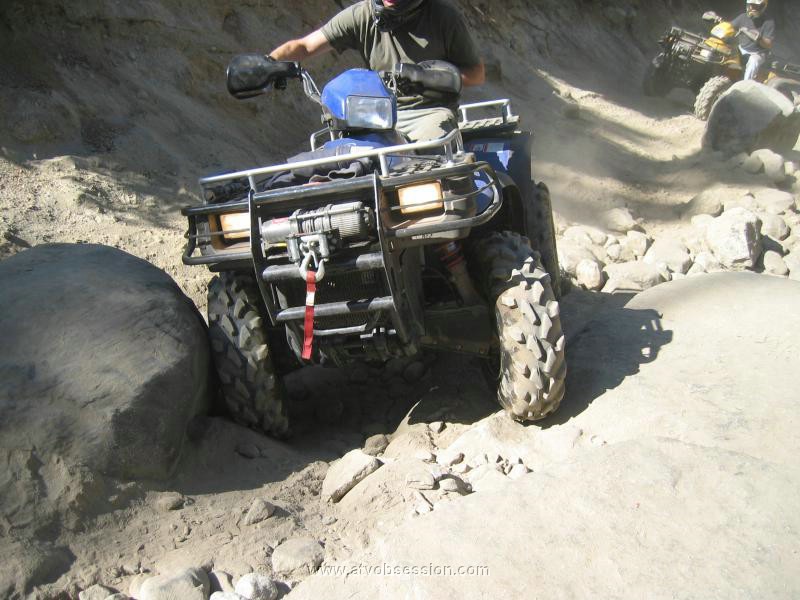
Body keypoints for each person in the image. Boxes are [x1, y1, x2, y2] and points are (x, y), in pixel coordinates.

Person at [269, 0, 485, 143]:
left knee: (435, 159)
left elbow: (477, 73)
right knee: (345, 158)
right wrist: (267, 64)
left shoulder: (444, 17)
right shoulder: (363, 15)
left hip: (429, 113)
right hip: (376, 116)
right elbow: (305, 46)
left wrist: (429, 79)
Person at [731, 0, 775, 81]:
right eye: (751, 5)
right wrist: (717, 19)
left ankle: (746, 85)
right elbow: (729, 27)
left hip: (758, 53)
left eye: (756, 5)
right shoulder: (743, 17)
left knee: (754, 61)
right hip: (741, 49)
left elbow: (768, 44)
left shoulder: (768, 21)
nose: (752, 8)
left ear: (763, 6)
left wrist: (757, 37)